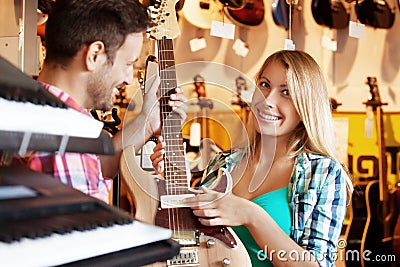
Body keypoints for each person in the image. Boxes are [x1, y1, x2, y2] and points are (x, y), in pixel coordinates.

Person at [150, 50, 353, 266]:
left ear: (306, 107)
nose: (267, 100)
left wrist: (252, 216)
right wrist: (177, 182)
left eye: (286, 92)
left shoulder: (324, 173)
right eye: (264, 85)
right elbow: (193, 245)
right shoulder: (223, 162)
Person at [10, 0, 186, 204]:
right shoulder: (66, 138)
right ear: (94, 55)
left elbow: (96, 165)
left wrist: (148, 120)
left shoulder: (30, 108)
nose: (129, 78)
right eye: (128, 63)